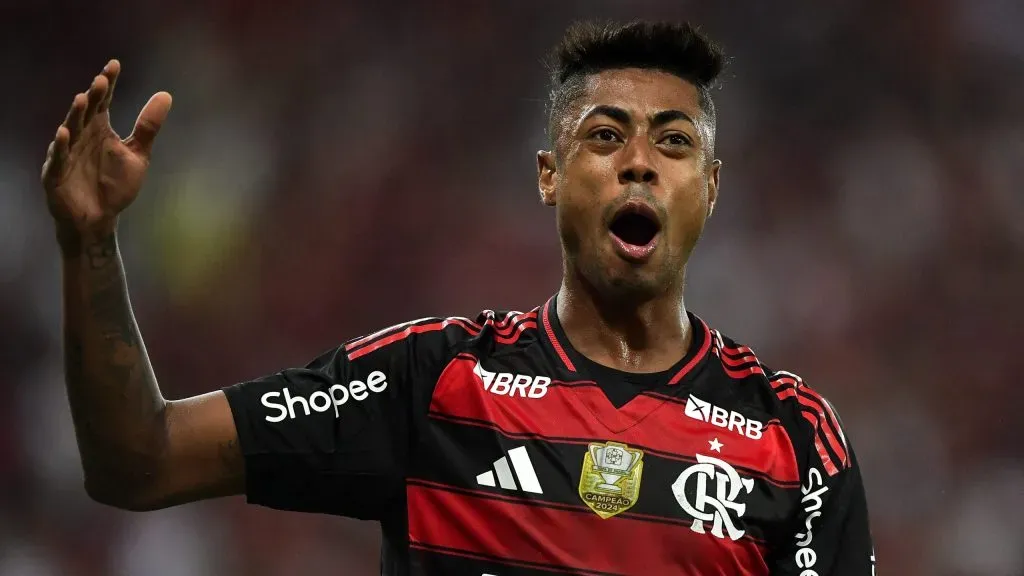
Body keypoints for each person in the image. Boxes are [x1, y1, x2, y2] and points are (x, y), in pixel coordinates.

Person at [40, 19, 875, 576]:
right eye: (605, 136)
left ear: (712, 187)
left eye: (675, 142)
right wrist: (89, 244)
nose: (639, 163)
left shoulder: (792, 438)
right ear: (549, 176)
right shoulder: (436, 383)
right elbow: (137, 462)